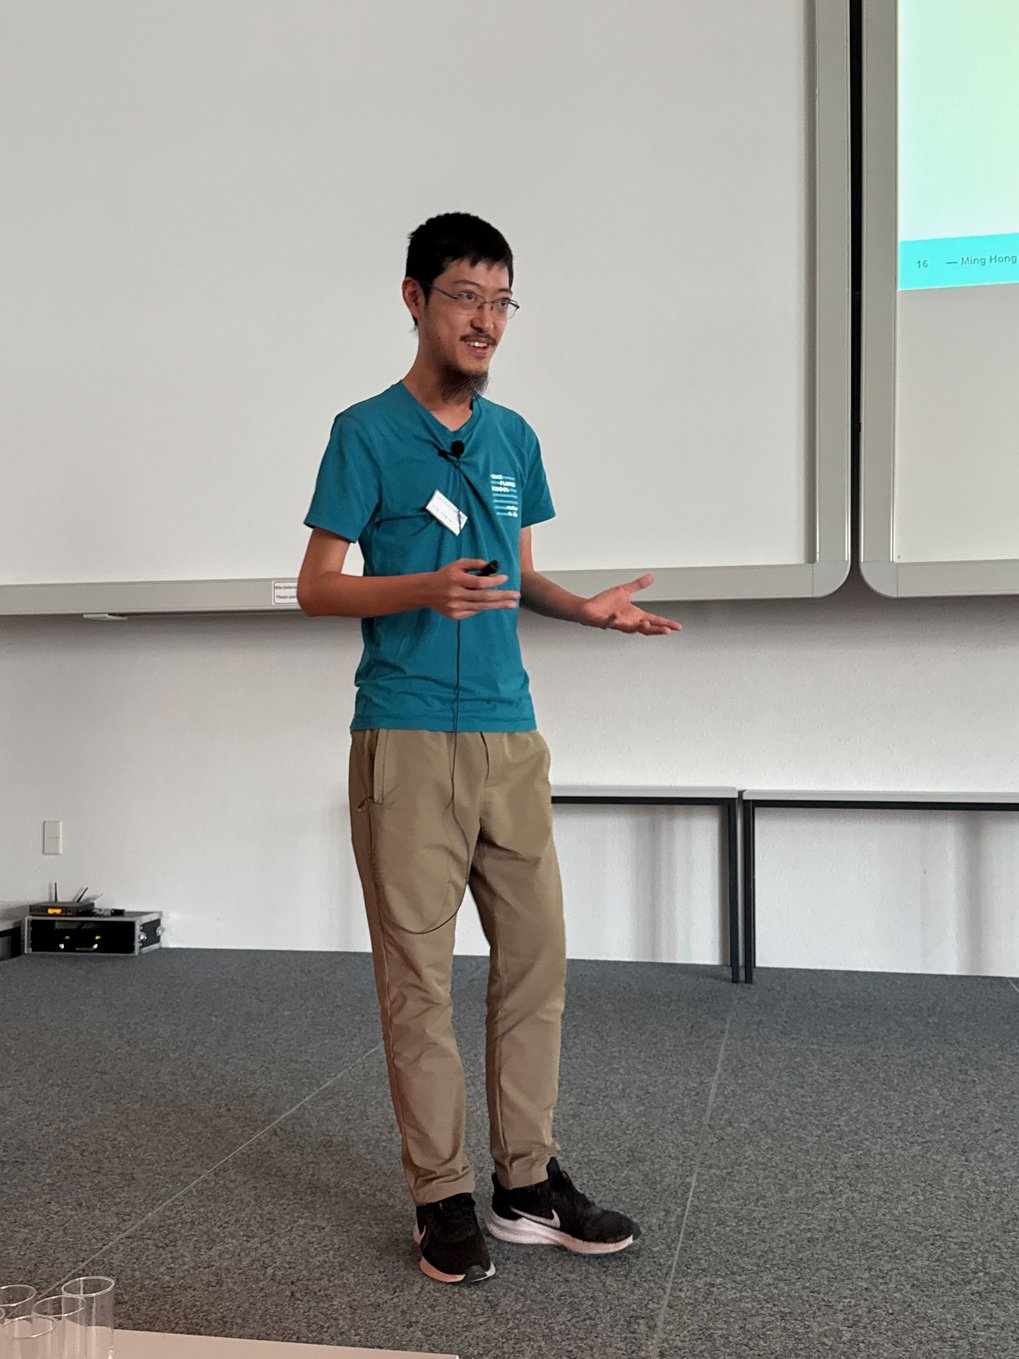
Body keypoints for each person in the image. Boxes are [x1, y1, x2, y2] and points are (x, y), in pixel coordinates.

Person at [298, 212, 681, 1285]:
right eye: (465, 296)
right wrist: (422, 586)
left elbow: (515, 574)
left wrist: (581, 607)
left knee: (534, 964)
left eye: (500, 300)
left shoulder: (513, 437)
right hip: (408, 737)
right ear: (415, 299)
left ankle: (526, 1185)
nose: (485, 320)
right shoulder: (363, 432)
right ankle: (440, 1195)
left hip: (510, 737)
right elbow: (318, 586)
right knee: (417, 980)